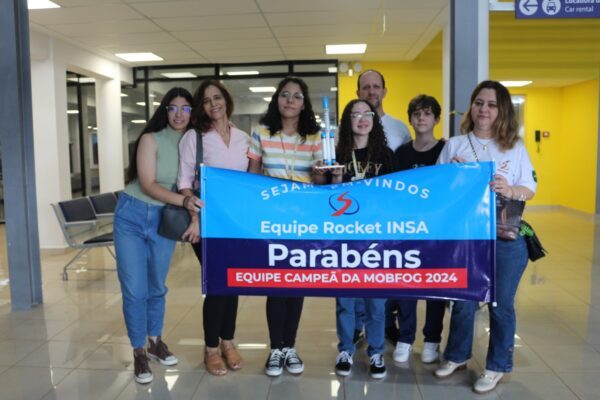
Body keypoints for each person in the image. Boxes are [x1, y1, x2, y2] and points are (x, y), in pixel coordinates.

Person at [434, 81, 537, 394]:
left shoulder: (514, 147)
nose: (484, 109)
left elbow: (530, 189)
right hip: (466, 237)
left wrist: (510, 189)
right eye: (479, 102)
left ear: (501, 109)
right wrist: (451, 176)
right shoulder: (454, 145)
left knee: (500, 305)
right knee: (463, 301)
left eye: (491, 104)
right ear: (471, 106)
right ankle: (457, 355)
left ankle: (497, 367)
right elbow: (437, 191)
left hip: (505, 237)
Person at [114, 87, 202, 384]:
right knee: (134, 289)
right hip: (132, 216)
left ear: (192, 112)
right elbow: (149, 184)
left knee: (157, 286)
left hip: (164, 219)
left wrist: (193, 212)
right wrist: (186, 202)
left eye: (185, 108)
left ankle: (155, 342)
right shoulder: (150, 139)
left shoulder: (195, 142)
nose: (179, 114)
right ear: (165, 111)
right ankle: (138, 351)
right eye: (173, 108)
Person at [248, 76, 325, 377]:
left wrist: (320, 173)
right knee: (276, 284)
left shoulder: (315, 136)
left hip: (303, 219)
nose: (290, 100)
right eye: (284, 95)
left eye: (297, 96)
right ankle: (276, 348)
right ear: (276, 99)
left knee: (296, 284)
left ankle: (290, 346)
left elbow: (319, 180)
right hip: (272, 217)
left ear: (304, 104)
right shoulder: (261, 132)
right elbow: (253, 175)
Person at [178, 80, 250, 376]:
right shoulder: (194, 137)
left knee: (233, 282)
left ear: (226, 100)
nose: (213, 104)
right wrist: (194, 218)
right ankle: (211, 348)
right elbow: (184, 183)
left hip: (236, 223)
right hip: (206, 223)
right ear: (201, 107)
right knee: (218, 283)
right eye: (206, 101)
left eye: (217, 98)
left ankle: (228, 341)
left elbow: (250, 181)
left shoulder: (243, 138)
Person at [330, 99, 398, 379]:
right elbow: (328, 201)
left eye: (367, 113)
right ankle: (345, 349)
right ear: (348, 122)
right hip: (345, 238)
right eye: (355, 114)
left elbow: (395, 197)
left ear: (374, 119)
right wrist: (336, 179)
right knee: (345, 300)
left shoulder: (386, 155)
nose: (362, 118)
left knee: (375, 302)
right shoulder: (337, 154)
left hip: (377, 239)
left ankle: (376, 351)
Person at [389, 94, 446, 364]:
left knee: (435, 287)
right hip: (407, 231)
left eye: (427, 113)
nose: (421, 118)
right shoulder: (401, 153)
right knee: (406, 287)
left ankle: (432, 339)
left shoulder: (445, 150)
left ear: (436, 119)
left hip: (437, 232)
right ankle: (405, 338)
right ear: (410, 119)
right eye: (416, 114)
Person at [356, 69, 411, 151]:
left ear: (384, 92)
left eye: (376, 87)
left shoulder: (401, 129)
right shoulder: (346, 128)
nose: (371, 92)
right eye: (366, 87)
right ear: (358, 93)